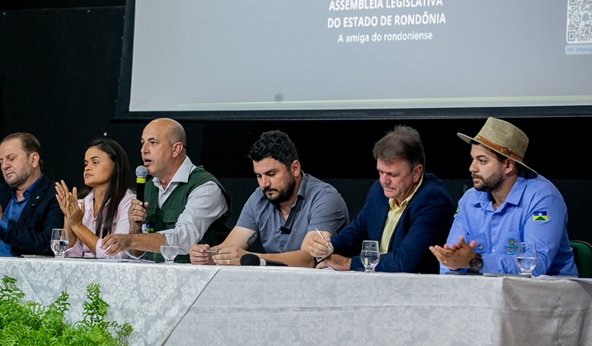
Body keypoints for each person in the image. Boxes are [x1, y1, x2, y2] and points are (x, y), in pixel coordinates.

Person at [430, 118, 577, 276]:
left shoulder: (542, 198)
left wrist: (476, 261)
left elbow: (534, 267)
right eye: (472, 159)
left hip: (549, 296)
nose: (472, 168)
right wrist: (453, 264)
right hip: (489, 295)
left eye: (482, 161)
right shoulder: (470, 200)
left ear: (508, 165)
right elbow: (450, 260)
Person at [303, 125, 455, 273]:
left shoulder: (434, 201)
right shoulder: (378, 191)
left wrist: (346, 263)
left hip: (417, 291)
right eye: (380, 172)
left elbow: (404, 262)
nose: (384, 181)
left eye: (392, 174)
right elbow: (356, 232)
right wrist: (327, 246)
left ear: (416, 172)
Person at [190, 130, 349, 266]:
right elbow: (229, 247)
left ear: (295, 168)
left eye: (271, 174)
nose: (264, 184)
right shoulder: (259, 197)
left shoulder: (325, 198)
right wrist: (206, 255)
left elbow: (308, 260)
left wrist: (250, 259)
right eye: (259, 176)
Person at [100, 118, 231, 262]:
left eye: (153, 143)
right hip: (156, 276)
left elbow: (184, 239)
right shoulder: (148, 188)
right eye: (143, 143)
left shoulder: (204, 187)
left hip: (200, 278)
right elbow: (139, 255)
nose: (143, 150)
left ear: (176, 149)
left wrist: (132, 239)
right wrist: (135, 229)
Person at [0, 132, 61, 256]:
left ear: (33, 159)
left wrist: (1, 220)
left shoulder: (54, 195)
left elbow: (48, 245)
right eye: (1, 161)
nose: (4, 166)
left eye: (11, 158)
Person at [55, 138, 135, 259]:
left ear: (115, 166)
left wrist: (77, 226)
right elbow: (66, 255)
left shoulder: (128, 202)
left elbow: (117, 256)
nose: (87, 168)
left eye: (95, 162)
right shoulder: (81, 203)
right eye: (86, 163)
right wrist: (68, 217)